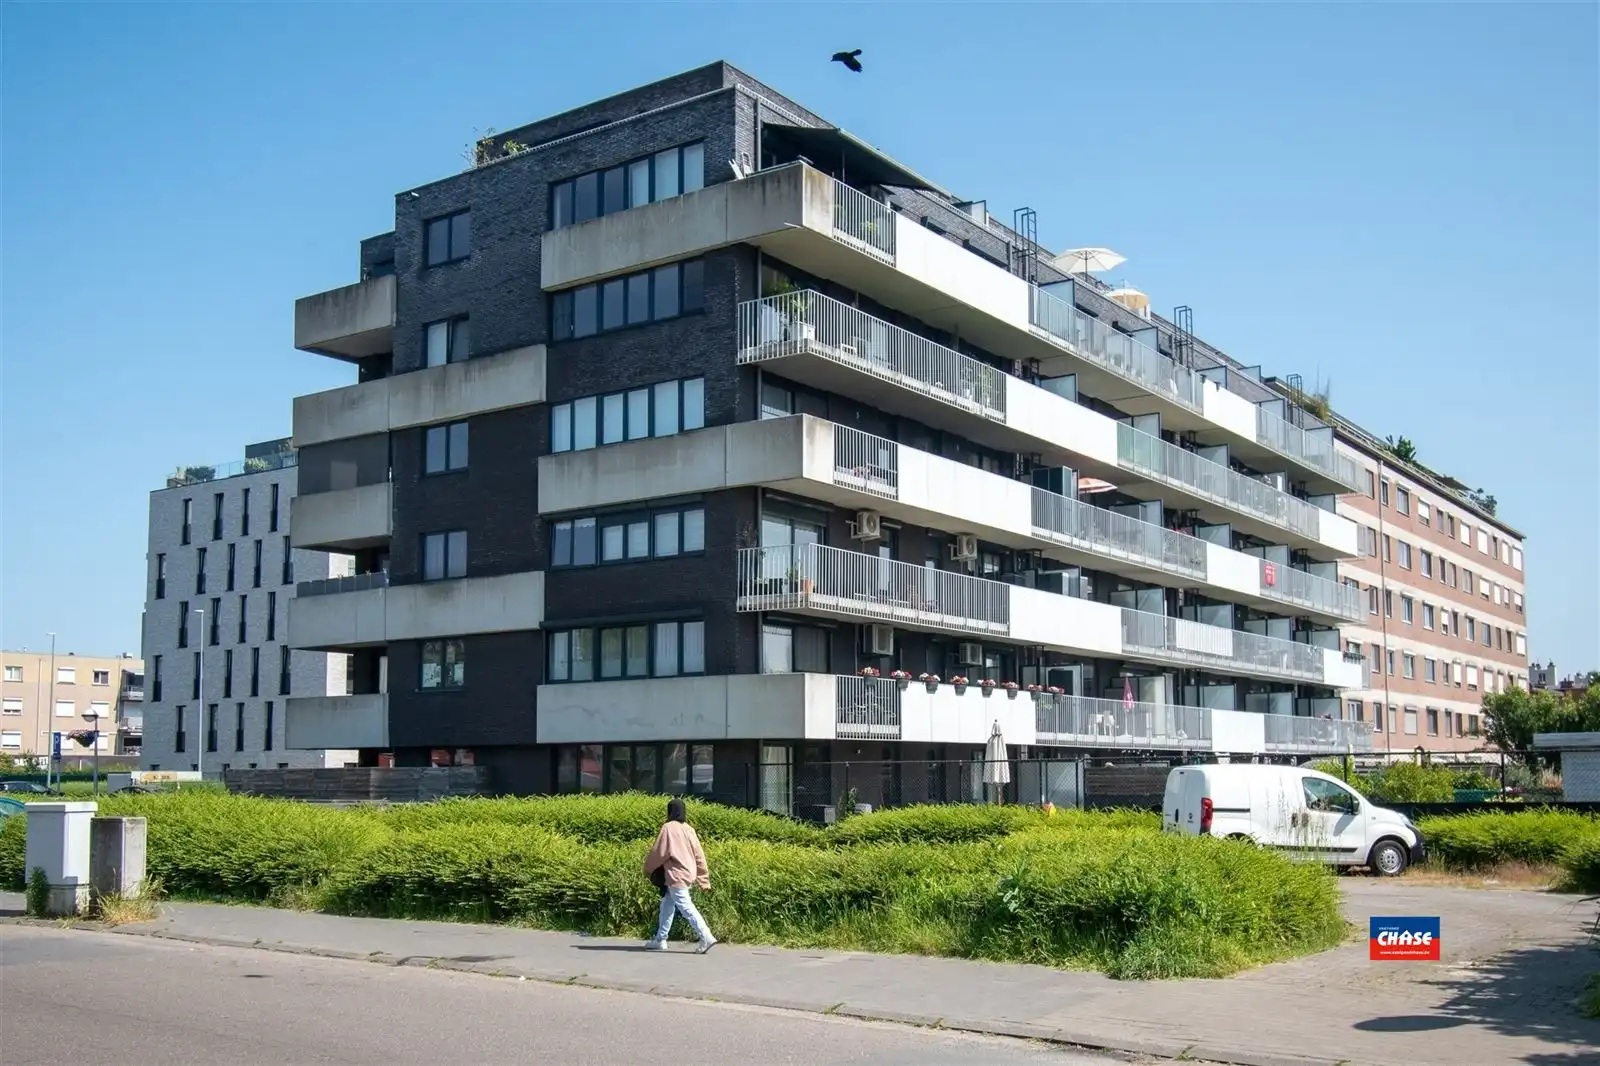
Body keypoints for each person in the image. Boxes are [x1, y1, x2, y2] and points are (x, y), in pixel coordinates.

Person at [642, 797, 717, 953]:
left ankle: (706, 936)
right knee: (667, 906)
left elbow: (659, 852)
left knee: (685, 906)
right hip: (687, 873)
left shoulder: (668, 828)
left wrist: (648, 869)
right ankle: (660, 939)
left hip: (676, 874)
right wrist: (704, 879)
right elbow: (699, 855)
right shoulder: (689, 829)